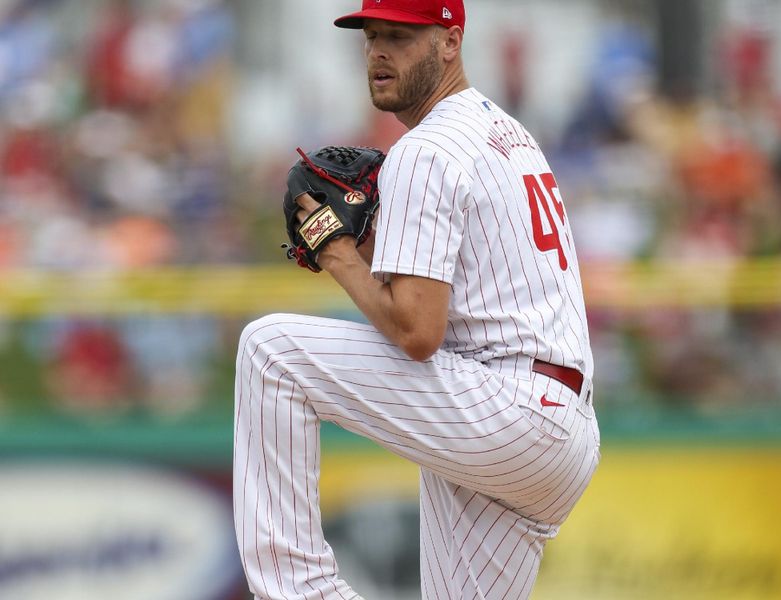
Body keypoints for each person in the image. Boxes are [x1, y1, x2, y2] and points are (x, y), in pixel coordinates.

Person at [233, 1, 600, 598]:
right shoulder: (505, 132)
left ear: (450, 42)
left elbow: (416, 332)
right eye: (372, 36)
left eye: (400, 37)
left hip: (506, 408)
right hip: (553, 428)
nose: (378, 52)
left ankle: (298, 589)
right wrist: (375, 242)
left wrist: (337, 250)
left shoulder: (424, 150)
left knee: (270, 351)